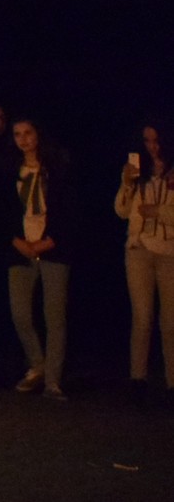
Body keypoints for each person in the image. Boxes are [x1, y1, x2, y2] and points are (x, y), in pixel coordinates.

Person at [5, 116, 69, 399]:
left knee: (54, 315)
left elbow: (71, 210)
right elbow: (2, 211)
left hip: (52, 246)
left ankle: (53, 380)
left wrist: (47, 242)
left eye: (28, 133)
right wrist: (18, 242)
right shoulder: (10, 169)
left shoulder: (55, 168)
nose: (23, 139)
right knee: (20, 312)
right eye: (17, 134)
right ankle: (37, 364)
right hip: (22, 248)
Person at [116, 118, 173, 403]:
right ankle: (137, 378)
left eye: (156, 140)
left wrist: (160, 212)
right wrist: (126, 184)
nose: (152, 146)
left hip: (169, 251)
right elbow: (122, 211)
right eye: (147, 141)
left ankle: (172, 380)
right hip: (138, 249)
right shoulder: (139, 172)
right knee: (142, 317)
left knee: (170, 321)